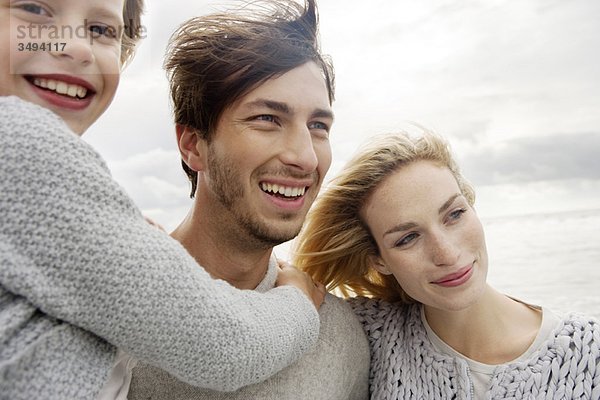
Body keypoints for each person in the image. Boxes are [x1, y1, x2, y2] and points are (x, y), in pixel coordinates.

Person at [0, 0, 327, 398]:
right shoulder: (20, 144)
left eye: (102, 30)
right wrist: (297, 300)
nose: (78, 47)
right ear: (192, 145)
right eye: (35, 10)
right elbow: (224, 346)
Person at [128, 0, 370, 399]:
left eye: (318, 126)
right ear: (193, 145)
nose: (305, 157)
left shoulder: (338, 335)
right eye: (267, 119)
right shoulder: (110, 311)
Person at [294, 132, 600, 399]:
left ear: (472, 206)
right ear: (379, 260)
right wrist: (292, 297)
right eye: (408, 238)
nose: (447, 254)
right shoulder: (369, 332)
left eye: (454, 215)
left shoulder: (589, 351)